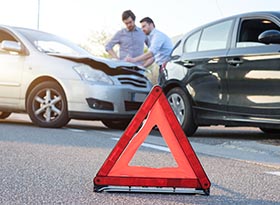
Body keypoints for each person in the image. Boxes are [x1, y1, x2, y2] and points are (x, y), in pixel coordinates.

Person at [125, 17, 173, 84]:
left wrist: (133, 60)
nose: (142, 29)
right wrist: (142, 67)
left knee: (165, 90)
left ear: (151, 25)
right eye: (141, 27)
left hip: (168, 67)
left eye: (144, 26)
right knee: (162, 90)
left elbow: (150, 54)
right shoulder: (152, 38)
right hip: (163, 67)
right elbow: (153, 57)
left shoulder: (158, 36)